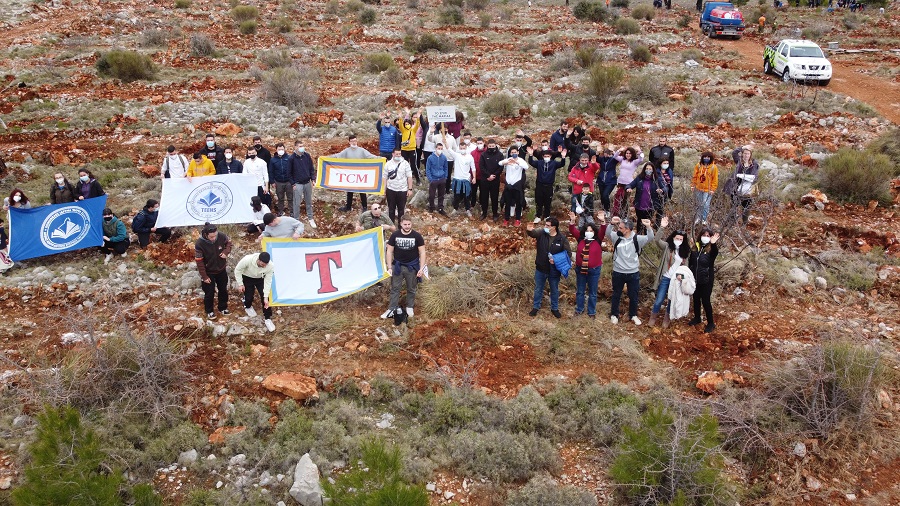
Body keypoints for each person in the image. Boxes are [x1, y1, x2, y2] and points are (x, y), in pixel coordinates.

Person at [606, 216, 655, 325]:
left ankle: (633, 315)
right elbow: (608, 233)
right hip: (618, 272)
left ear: (628, 229)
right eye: (619, 227)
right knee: (616, 294)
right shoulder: (616, 237)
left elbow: (650, 237)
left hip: (633, 273)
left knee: (633, 295)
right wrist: (611, 223)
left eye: (621, 228)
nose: (619, 230)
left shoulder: (637, 239)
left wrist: (648, 226)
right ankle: (614, 314)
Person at [383, 215, 427, 323]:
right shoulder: (395, 235)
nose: (407, 226)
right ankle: (392, 308)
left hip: (411, 266)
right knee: (395, 288)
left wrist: (421, 268)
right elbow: (389, 251)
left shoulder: (417, 236)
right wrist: (389, 267)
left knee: (411, 288)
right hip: (397, 266)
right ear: (401, 224)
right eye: (405, 224)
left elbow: (422, 252)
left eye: (409, 224)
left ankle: (410, 307)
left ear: (411, 224)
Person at [527, 216, 571, 318]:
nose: (545, 227)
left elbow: (568, 254)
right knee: (538, 288)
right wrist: (529, 230)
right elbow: (533, 233)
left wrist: (556, 259)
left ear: (554, 227)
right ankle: (535, 307)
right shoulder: (542, 233)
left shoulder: (562, 239)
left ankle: (554, 308)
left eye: (548, 225)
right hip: (541, 267)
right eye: (545, 225)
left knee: (554, 289)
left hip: (554, 270)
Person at [569, 211, 607, 318]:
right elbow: (572, 229)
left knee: (593, 292)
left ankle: (591, 312)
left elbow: (603, 230)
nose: (589, 232)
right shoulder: (580, 239)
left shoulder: (598, 240)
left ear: (594, 232)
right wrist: (572, 220)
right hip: (581, 269)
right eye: (587, 230)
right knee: (580, 291)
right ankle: (579, 309)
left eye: (591, 230)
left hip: (594, 270)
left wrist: (603, 220)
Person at [649, 221, 685, 328]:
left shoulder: (685, 252)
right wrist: (662, 227)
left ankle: (667, 318)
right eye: (677, 238)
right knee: (659, 299)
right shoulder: (667, 247)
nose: (678, 241)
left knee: (671, 300)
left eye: (681, 239)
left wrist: (681, 279)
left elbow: (685, 269)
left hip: (676, 280)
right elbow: (657, 240)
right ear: (673, 238)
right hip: (665, 278)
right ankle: (653, 317)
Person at [194, 223, 232, 320]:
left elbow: (229, 242)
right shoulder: (199, 244)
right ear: (206, 234)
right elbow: (199, 261)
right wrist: (204, 276)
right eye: (211, 237)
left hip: (221, 269)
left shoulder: (221, 236)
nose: (214, 238)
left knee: (223, 289)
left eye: (215, 235)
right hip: (209, 272)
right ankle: (209, 310)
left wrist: (226, 252)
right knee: (209, 293)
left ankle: (222, 307)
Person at [334, 135, 378, 212]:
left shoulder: (362, 150)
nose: (354, 142)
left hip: (360, 175)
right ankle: (348, 207)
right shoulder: (346, 151)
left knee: (362, 191)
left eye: (355, 141)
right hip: (350, 175)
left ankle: (364, 207)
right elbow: (338, 156)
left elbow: (370, 156)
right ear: (349, 142)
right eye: (352, 141)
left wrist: (380, 158)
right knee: (349, 192)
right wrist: (326, 158)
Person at [234, 251, 276, 332]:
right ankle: (248, 305)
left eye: (266, 265)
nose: (265, 266)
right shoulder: (247, 259)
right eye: (263, 265)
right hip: (247, 277)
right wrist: (240, 284)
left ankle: (267, 318)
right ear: (259, 260)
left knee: (265, 299)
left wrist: (266, 296)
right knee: (249, 296)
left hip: (260, 279)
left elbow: (268, 281)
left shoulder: (270, 266)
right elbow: (238, 270)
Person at [688, 229, 719, 333]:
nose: (705, 237)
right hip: (695, 279)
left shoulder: (711, 249)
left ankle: (711, 323)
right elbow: (691, 261)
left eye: (708, 235)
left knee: (705, 301)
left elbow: (715, 252)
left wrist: (713, 244)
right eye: (704, 235)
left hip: (707, 279)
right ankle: (697, 318)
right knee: (696, 299)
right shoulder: (695, 247)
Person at [526, 145, 567, 222]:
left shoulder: (554, 163)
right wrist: (531, 155)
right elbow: (531, 162)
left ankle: (547, 216)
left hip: (549, 186)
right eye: (545, 156)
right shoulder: (539, 163)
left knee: (547, 202)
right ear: (543, 156)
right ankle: (538, 215)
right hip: (539, 185)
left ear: (550, 156)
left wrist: (563, 157)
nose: (546, 157)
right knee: (539, 201)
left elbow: (562, 164)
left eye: (548, 156)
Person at [724, 146, 760, 226]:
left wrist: (745, 177)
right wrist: (742, 147)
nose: (746, 155)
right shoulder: (739, 161)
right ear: (742, 154)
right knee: (733, 205)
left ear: (750, 155)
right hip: (736, 186)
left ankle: (744, 223)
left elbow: (755, 176)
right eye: (744, 153)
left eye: (748, 154)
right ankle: (732, 222)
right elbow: (734, 153)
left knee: (746, 206)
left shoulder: (754, 164)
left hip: (747, 188)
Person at [626, 163, 666, 234]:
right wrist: (628, 188)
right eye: (647, 169)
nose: (648, 170)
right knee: (639, 221)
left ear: (653, 170)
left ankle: (646, 238)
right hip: (639, 205)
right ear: (644, 170)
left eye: (650, 169)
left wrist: (662, 190)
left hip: (650, 206)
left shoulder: (657, 179)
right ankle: (638, 237)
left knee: (647, 222)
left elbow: (665, 188)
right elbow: (630, 185)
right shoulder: (639, 178)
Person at [289, 140, 317, 229]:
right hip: (297, 184)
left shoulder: (307, 156)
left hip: (307, 182)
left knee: (308, 201)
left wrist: (313, 179)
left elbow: (311, 168)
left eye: (302, 145)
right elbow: (288, 172)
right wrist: (293, 184)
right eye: (300, 146)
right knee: (297, 203)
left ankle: (310, 218)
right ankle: (296, 220)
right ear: (295, 147)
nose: (302, 147)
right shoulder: (291, 158)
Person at [611, 146, 644, 218]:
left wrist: (639, 151)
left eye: (630, 153)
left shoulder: (634, 162)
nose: (628, 155)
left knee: (625, 200)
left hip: (628, 184)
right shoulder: (622, 159)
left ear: (632, 154)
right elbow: (615, 156)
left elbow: (641, 159)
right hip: (620, 182)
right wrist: (620, 150)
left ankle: (624, 216)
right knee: (617, 198)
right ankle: (616, 215)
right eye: (627, 153)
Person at [500, 146, 528, 226]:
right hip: (509, 185)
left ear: (518, 152)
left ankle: (518, 219)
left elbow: (526, 167)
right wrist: (506, 163)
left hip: (517, 185)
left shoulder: (520, 160)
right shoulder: (508, 160)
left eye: (515, 152)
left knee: (518, 203)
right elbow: (499, 163)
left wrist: (517, 162)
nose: (514, 154)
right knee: (507, 203)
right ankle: (506, 219)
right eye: (512, 152)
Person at [383, 148, 413, 223]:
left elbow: (409, 177)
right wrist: (384, 189)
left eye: (399, 154)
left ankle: (401, 226)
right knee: (391, 209)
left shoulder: (405, 163)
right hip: (391, 189)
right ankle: (391, 225)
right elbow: (385, 177)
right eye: (397, 154)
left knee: (401, 210)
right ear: (393, 154)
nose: (398, 155)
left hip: (402, 190)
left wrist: (410, 189)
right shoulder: (388, 164)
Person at [478, 139, 504, 221]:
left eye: (493, 146)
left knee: (494, 197)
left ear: (495, 145)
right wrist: (488, 175)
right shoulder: (483, 155)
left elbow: (501, 167)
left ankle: (495, 214)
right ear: (487, 146)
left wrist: (494, 175)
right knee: (484, 197)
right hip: (485, 179)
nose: (491, 148)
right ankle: (484, 213)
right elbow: (481, 166)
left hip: (495, 180)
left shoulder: (500, 155)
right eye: (490, 146)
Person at [691, 152, 719, 225]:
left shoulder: (713, 167)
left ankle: (704, 219)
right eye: (705, 157)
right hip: (698, 188)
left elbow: (715, 179)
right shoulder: (698, 165)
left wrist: (713, 189)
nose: (706, 158)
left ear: (711, 158)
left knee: (705, 204)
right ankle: (698, 218)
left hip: (708, 190)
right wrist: (693, 185)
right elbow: (695, 176)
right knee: (699, 203)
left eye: (708, 157)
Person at [568, 152, 599, 217]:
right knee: (574, 206)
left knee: (589, 207)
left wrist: (594, 163)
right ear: (579, 159)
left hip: (588, 191)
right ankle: (572, 220)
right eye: (582, 160)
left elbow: (597, 167)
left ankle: (589, 221)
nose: (584, 162)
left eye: (586, 160)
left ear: (588, 160)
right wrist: (576, 181)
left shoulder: (591, 166)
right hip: (577, 190)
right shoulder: (575, 167)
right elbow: (570, 177)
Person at [450, 142, 476, 216]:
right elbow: (449, 149)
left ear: (466, 148)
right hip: (457, 179)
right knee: (456, 195)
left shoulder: (470, 157)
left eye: (463, 148)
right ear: (459, 148)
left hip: (466, 179)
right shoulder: (456, 156)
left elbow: (473, 168)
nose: (462, 150)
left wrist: (474, 177)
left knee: (466, 195)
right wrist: (445, 141)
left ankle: (467, 209)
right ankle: (455, 208)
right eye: (461, 148)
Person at [268, 142, 293, 216]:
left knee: (290, 197)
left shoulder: (289, 158)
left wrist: (293, 180)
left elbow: (293, 169)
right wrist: (272, 181)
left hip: (288, 181)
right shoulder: (273, 160)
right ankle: (281, 211)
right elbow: (271, 171)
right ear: (276, 150)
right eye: (279, 149)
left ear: (284, 149)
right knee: (280, 198)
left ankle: (292, 211)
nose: (281, 150)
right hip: (278, 182)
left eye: (282, 149)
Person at [398, 108, 421, 181]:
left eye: (408, 124)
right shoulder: (403, 130)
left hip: (412, 150)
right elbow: (400, 124)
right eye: (406, 124)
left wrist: (418, 116)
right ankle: (404, 179)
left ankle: (418, 179)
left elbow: (417, 124)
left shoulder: (413, 130)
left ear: (411, 124)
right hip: (404, 150)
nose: (407, 125)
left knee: (413, 165)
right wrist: (400, 117)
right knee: (404, 165)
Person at [426, 142, 449, 215]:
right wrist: (430, 179)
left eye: (441, 149)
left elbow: (446, 168)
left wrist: (445, 177)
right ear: (435, 148)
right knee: (432, 195)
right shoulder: (430, 158)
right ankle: (431, 207)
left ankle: (440, 208)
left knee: (441, 195)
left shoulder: (444, 157)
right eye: (439, 148)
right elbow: (428, 169)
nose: (440, 150)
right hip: (434, 179)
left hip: (442, 178)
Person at [595, 148, 618, 217]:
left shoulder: (613, 159)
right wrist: (597, 153)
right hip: (601, 179)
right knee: (602, 195)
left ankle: (607, 210)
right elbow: (596, 159)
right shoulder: (602, 159)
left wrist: (614, 153)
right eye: (605, 153)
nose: (606, 154)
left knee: (605, 194)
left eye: (607, 153)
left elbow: (618, 158)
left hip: (611, 180)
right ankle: (603, 209)